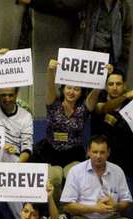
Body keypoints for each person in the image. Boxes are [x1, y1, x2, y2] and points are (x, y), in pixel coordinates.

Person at [91, 70, 133, 217]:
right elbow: (104, 108)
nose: (114, 87)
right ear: (106, 87)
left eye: (118, 84)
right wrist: (125, 96)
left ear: (124, 85)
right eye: (110, 84)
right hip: (106, 157)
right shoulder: (99, 102)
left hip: (128, 154)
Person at [37, 58, 102, 200]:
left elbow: (96, 92)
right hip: (51, 153)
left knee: (75, 177)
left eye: (76, 89)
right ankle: (55, 214)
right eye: (69, 87)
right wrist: (50, 71)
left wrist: (102, 75)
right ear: (63, 89)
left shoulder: (83, 109)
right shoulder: (53, 104)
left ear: (80, 92)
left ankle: (68, 213)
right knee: (53, 178)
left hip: (73, 155)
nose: (72, 92)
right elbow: (49, 87)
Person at [21, 0, 133, 73]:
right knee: (79, 97)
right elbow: (60, 5)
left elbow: (126, 35)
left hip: (110, 60)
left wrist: (121, 65)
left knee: (106, 99)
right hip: (86, 57)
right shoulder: (88, 3)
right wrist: (33, 2)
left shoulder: (122, 7)